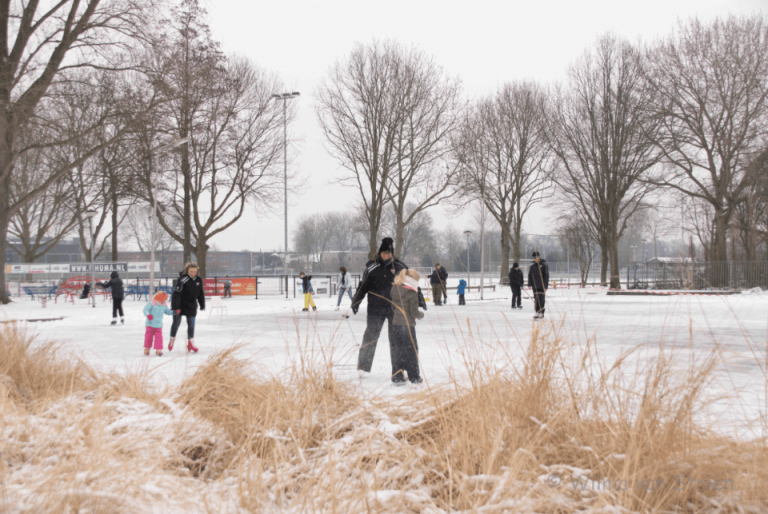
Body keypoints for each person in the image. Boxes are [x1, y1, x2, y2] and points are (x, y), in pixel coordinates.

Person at [351, 237, 409, 379]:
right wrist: (356, 301)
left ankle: (398, 370)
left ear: (392, 253)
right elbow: (362, 286)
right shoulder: (372, 267)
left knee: (396, 340)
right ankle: (363, 367)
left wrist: (418, 300)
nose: (386, 256)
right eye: (383, 253)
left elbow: (411, 284)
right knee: (370, 337)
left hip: (395, 310)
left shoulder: (400, 267)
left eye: (388, 253)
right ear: (379, 253)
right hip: (375, 310)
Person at [390, 269, 424, 385]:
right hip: (407, 326)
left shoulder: (395, 289)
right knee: (411, 352)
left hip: (395, 325)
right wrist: (421, 315)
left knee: (398, 351)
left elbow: (393, 307)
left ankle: (397, 376)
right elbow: (414, 312)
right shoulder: (411, 293)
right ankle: (414, 377)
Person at [170, 262, 205, 352]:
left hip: (191, 305)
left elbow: (200, 292)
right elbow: (176, 295)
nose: (193, 273)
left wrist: (202, 303)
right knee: (176, 324)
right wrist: (176, 307)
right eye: (191, 271)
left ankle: (191, 343)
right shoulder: (182, 279)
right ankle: (172, 339)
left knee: (191, 325)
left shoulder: (199, 280)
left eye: (194, 271)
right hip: (179, 305)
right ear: (187, 271)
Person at [142, 291, 174, 356]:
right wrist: (148, 315)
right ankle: (147, 349)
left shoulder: (164, 305)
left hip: (158, 325)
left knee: (159, 338)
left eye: (165, 299)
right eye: (164, 299)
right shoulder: (152, 303)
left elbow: (167, 311)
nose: (165, 300)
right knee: (148, 337)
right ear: (159, 298)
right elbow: (145, 310)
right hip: (150, 324)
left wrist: (175, 312)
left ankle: (159, 350)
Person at [528, 252, 550, 319]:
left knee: (541, 299)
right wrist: (530, 284)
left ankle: (541, 312)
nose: (535, 259)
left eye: (536, 258)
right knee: (536, 299)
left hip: (542, 286)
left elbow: (546, 276)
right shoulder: (532, 266)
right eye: (534, 258)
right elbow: (530, 275)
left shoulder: (543, 265)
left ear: (539, 258)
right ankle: (537, 312)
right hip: (535, 286)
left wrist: (545, 286)